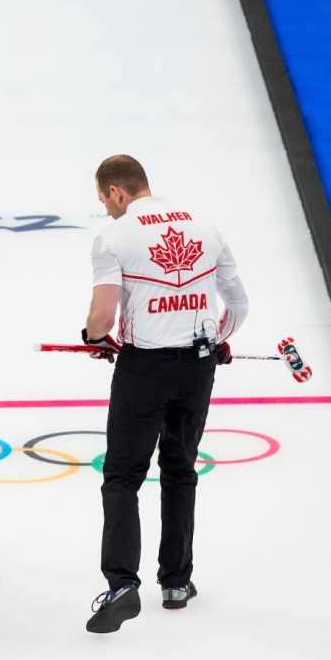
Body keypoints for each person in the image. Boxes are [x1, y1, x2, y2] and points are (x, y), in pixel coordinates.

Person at [80, 154, 249, 633]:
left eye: (103, 201)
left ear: (116, 192)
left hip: (144, 370)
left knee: (123, 476)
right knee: (180, 470)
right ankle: (176, 582)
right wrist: (216, 342)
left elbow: (103, 317)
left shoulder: (114, 236)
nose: (106, 210)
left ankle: (122, 584)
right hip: (197, 368)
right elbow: (238, 303)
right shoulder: (204, 226)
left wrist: (94, 339)